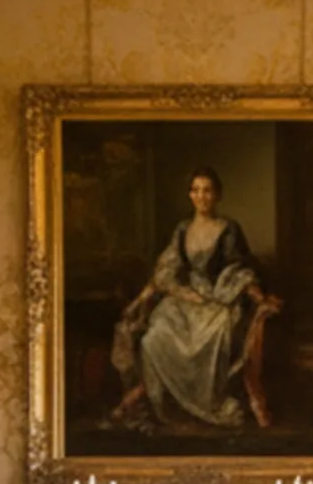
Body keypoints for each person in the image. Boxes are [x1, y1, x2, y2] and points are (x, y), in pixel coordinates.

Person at [111, 168, 279, 430]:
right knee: (153, 337)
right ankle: (166, 405)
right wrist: (140, 301)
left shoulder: (228, 228)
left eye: (207, 190)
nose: (202, 196)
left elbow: (240, 270)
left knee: (215, 333)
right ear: (190, 195)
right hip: (186, 299)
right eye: (196, 190)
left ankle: (206, 400)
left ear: (217, 195)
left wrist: (260, 297)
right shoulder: (182, 229)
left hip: (217, 299)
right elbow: (165, 270)